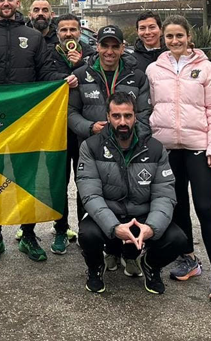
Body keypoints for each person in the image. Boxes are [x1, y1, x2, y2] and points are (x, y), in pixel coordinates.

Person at [0, 0, 76, 262]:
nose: (6, 3)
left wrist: (64, 80)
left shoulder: (33, 37)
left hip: (26, 122)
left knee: (27, 179)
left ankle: (28, 235)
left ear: (17, 3)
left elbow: (46, 75)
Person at [145, 15, 211, 302]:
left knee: (205, 207)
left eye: (179, 36)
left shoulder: (205, 68)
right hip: (168, 149)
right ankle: (189, 259)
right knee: (178, 206)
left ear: (188, 37)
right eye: (169, 37)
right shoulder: (154, 69)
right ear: (163, 39)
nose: (174, 41)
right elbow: (149, 108)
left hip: (198, 147)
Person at [76, 91, 187, 295]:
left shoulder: (155, 148)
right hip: (110, 215)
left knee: (178, 239)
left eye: (127, 116)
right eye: (116, 116)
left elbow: (164, 195)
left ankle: (151, 265)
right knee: (87, 234)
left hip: (142, 216)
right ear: (108, 117)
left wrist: (151, 228)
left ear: (135, 116)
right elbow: (90, 195)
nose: (122, 122)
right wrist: (115, 227)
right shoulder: (90, 147)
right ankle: (95, 268)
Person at [68, 25, 152, 276]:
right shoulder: (82, 74)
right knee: (91, 199)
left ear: (122, 47)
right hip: (93, 151)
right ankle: (102, 251)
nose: (110, 51)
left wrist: (135, 139)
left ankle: (128, 252)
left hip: (129, 150)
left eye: (115, 46)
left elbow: (145, 115)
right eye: (105, 45)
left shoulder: (137, 76)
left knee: (130, 199)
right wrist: (91, 127)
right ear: (97, 47)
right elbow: (70, 113)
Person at [46, 13, 88, 254]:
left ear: (79, 32)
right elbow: (43, 78)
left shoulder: (91, 53)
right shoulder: (50, 54)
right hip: (57, 128)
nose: (69, 34)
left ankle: (86, 229)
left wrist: (79, 65)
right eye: (64, 30)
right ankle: (60, 229)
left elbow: (95, 75)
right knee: (59, 183)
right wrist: (64, 77)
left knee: (85, 181)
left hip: (83, 130)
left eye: (73, 29)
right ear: (57, 33)